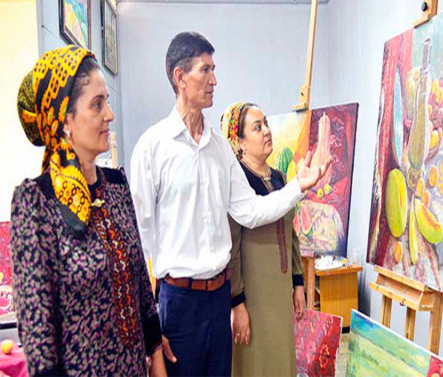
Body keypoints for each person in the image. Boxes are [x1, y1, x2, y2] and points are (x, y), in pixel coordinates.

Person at [130, 32, 329, 376]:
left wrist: (298, 185)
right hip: (178, 302)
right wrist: (149, 324)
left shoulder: (220, 148)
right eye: (205, 70)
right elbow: (140, 240)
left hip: (218, 298)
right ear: (180, 77)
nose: (214, 80)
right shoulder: (153, 147)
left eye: (214, 69)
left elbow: (250, 211)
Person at [10, 45, 165, 376]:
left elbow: (140, 282)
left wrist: (156, 357)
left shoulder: (116, 186)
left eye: (106, 101)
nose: (109, 114)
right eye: (97, 104)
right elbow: (38, 333)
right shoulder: (36, 202)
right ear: (65, 120)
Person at [221, 102, 305, 376]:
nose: (267, 131)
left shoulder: (279, 178)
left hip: (280, 293)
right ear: (240, 143)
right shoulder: (238, 183)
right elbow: (232, 249)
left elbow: (291, 234)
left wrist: (297, 283)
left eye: (266, 123)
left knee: (281, 360)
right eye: (257, 127)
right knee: (255, 365)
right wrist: (238, 304)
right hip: (253, 298)